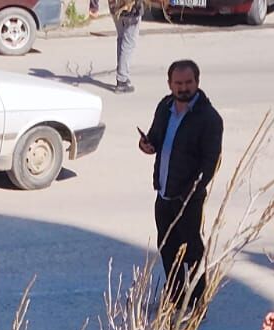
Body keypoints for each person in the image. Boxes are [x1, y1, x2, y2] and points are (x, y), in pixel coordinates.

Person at [137, 60, 223, 299]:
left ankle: (196, 304)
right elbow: (155, 138)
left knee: (192, 252)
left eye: (188, 83)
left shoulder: (209, 118)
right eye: (178, 83)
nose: (183, 88)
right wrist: (146, 144)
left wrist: (190, 193)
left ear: (197, 82)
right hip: (164, 193)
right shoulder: (165, 107)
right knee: (167, 248)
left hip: (189, 200)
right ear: (170, 84)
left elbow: (211, 162)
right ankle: (174, 298)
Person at [110, 0, 140, 93]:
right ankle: (122, 80)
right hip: (130, 8)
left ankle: (123, 75)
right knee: (128, 43)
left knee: (122, 39)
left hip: (114, 6)